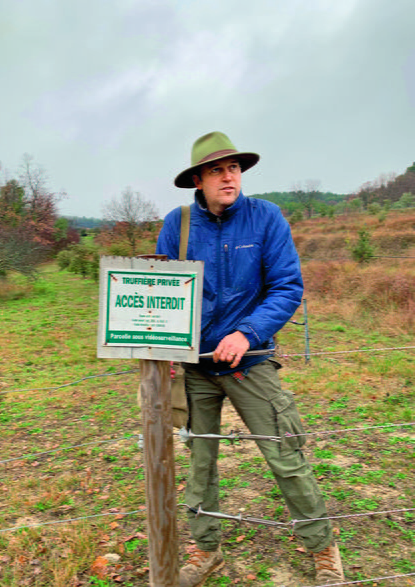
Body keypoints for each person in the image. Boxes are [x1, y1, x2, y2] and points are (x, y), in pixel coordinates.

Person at [156, 132, 344, 586]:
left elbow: (287, 287)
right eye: (217, 170)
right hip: (196, 368)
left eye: (234, 168)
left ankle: (323, 551)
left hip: (251, 362)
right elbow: (162, 291)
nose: (229, 176)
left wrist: (247, 332)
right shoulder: (178, 225)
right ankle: (206, 551)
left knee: (285, 453)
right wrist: (160, 349)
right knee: (200, 462)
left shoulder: (266, 219)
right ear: (197, 179)